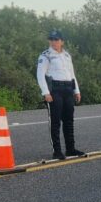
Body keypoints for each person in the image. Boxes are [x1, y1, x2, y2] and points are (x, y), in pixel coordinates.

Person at [36, 29, 86, 160]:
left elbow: (72, 74)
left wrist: (76, 91)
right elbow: (40, 75)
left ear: (62, 41)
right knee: (55, 121)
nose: (53, 42)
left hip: (68, 88)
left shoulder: (67, 55)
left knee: (69, 120)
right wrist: (46, 93)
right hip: (55, 90)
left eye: (56, 39)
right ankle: (57, 151)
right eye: (51, 39)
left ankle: (70, 149)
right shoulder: (45, 56)